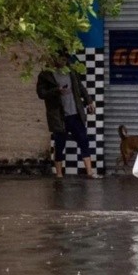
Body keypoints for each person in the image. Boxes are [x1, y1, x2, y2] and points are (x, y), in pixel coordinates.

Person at [36, 49, 99, 179]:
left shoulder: (71, 71)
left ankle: (89, 172)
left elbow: (80, 88)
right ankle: (59, 173)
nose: (63, 62)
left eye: (65, 59)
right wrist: (56, 90)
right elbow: (41, 94)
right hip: (59, 117)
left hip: (75, 114)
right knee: (59, 144)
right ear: (55, 60)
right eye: (61, 59)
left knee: (83, 140)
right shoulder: (46, 75)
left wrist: (89, 101)